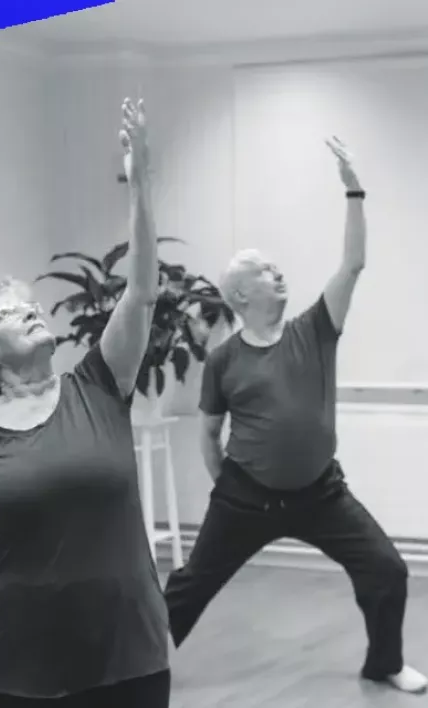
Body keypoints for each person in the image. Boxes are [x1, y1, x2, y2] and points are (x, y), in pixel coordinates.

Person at [164, 137, 427, 694]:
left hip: (321, 494)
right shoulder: (223, 360)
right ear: (239, 294)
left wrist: (353, 188)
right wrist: (230, 490)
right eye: (264, 271)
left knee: (387, 569)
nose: (277, 274)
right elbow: (209, 434)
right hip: (245, 497)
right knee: (191, 586)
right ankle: (134, 666)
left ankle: (384, 663)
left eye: (277, 268)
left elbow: (353, 263)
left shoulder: (315, 329)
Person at [0, 98, 171, 708]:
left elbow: (143, 291)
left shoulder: (99, 384)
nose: (32, 309)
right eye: (8, 314)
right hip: (0, 665)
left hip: (124, 653)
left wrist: (140, 180)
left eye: (30, 303)